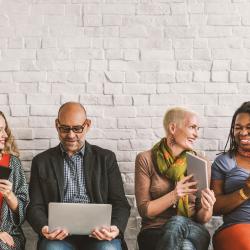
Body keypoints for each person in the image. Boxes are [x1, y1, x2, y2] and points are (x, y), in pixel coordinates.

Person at [27, 102, 130, 250]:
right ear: (57, 125)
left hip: (99, 236)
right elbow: (34, 206)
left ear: (87, 125)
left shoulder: (106, 158)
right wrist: (44, 228)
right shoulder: (41, 161)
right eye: (64, 129)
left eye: (77, 128)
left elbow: (120, 203)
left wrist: (114, 228)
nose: (71, 135)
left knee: (108, 249)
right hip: (58, 237)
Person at [135, 107, 216, 250]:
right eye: (192, 127)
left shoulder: (200, 162)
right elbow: (145, 211)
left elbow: (202, 218)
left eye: (198, 129)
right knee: (185, 246)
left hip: (193, 229)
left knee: (177, 221)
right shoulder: (145, 159)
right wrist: (174, 195)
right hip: (154, 231)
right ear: (173, 128)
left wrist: (207, 207)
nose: (196, 134)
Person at [211, 101, 250, 250]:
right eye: (238, 127)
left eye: (249, 127)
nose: (243, 133)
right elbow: (214, 207)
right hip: (237, 228)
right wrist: (244, 192)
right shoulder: (224, 162)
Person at [0, 111, 29, 250]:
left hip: (11, 234)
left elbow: (23, 212)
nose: (5, 134)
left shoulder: (12, 163)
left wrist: (10, 195)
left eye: (4, 129)